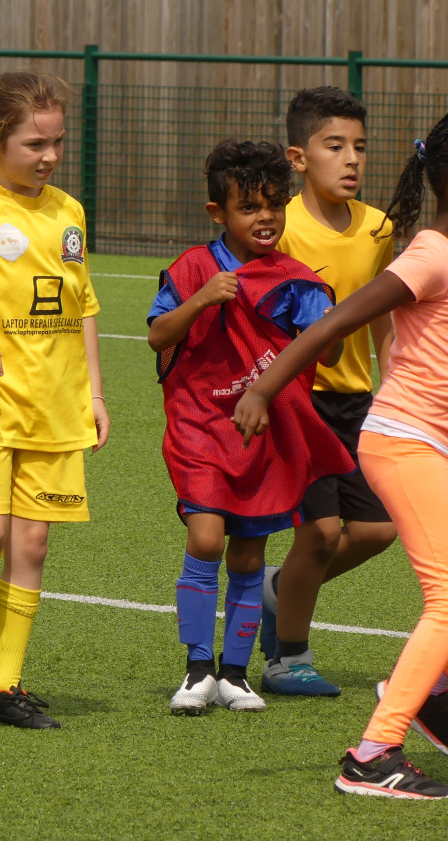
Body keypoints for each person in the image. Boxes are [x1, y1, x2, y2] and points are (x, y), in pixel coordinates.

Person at [233, 109, 448, 800]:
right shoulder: (428, 256)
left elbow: (445, 360)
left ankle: (432, 684)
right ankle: (372, 753)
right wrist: (264, 388)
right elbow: (338, 320)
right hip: (406, 446)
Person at [147, 139, 354, 716]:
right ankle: (196, 669)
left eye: (276, 206)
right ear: (218, 213)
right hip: (199, 425)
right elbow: (158, 337)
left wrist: (331, 319)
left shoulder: (293, 279)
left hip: (261, 435)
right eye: (249, 208)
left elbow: (329, 355)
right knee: (207, 538)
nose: (266, 218)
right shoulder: (195, 267)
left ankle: (235, 674)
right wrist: (201, 301)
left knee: (246, 556)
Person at [0, 71, 110, 729]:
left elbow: (84, 305)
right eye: (35, 144)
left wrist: (95, 392)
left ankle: (2, 686)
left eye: (57, 143)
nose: (49, 157)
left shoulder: (68, 211)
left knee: (32, 545)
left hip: (54, 404)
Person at [260, 86, 399, 697]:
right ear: (298, 157)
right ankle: (287, 657)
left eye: (360, 148)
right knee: (317, 532)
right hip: (296, 402)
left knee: (377, 530)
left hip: (358, 402)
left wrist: (395, 391)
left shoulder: (378, 229)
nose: (351, 160)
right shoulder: (279, 226)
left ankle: (279, 587)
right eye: (334, 146)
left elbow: (385, 322)